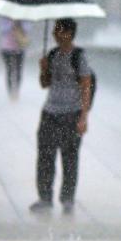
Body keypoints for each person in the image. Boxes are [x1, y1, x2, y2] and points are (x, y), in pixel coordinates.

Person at [29, 18, 92, 215]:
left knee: (70, 157)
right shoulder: (53, 54)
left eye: (58, 30)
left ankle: (67, 199)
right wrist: (43, 69)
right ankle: (45, 197)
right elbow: (44, 84)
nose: (54, 34)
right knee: (45, 156)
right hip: (50, 112)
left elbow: (86, 86)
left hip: (71, 113)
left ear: (68, 33)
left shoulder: (79, 56)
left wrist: (83, 116)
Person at [0, 18, 30, 100]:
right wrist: (11, 25)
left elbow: (27, 29)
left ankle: (16, 92)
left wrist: (19, 24)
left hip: (20, 47)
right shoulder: (5, 16)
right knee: (9, 71)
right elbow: (2, 30)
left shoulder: (23, 17)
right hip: (7, 48)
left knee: (18, 71)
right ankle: (10, 93)